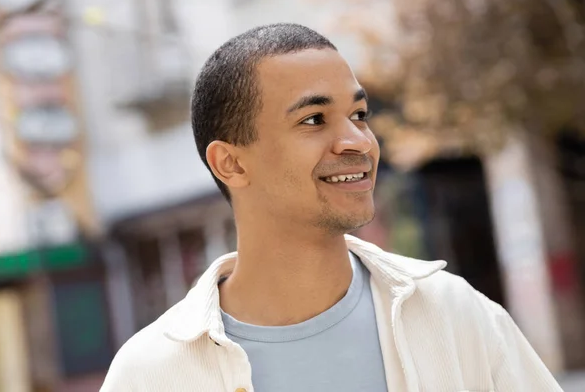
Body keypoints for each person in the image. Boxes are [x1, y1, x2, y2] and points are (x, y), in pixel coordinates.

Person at [101, 23, 562, 392]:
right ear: (232, 163)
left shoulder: (454, 315)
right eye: (314, 120)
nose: (358, 141)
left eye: (359, 115)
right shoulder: (151, 375)